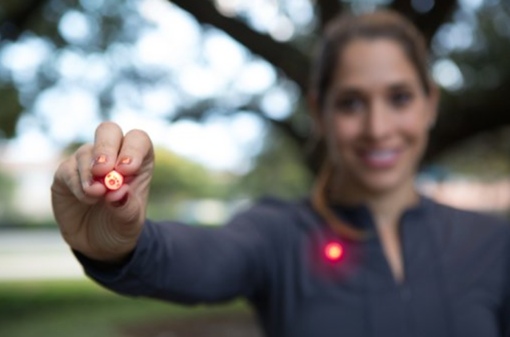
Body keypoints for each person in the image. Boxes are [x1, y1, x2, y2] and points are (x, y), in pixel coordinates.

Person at [51, 9, 510, 337]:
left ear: (430, 103)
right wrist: (122, 246)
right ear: (319, 111)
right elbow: (202, 258)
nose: (377, 128)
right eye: (351, 102)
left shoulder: (491, 244)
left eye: (400, 98)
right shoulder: (278, 236)